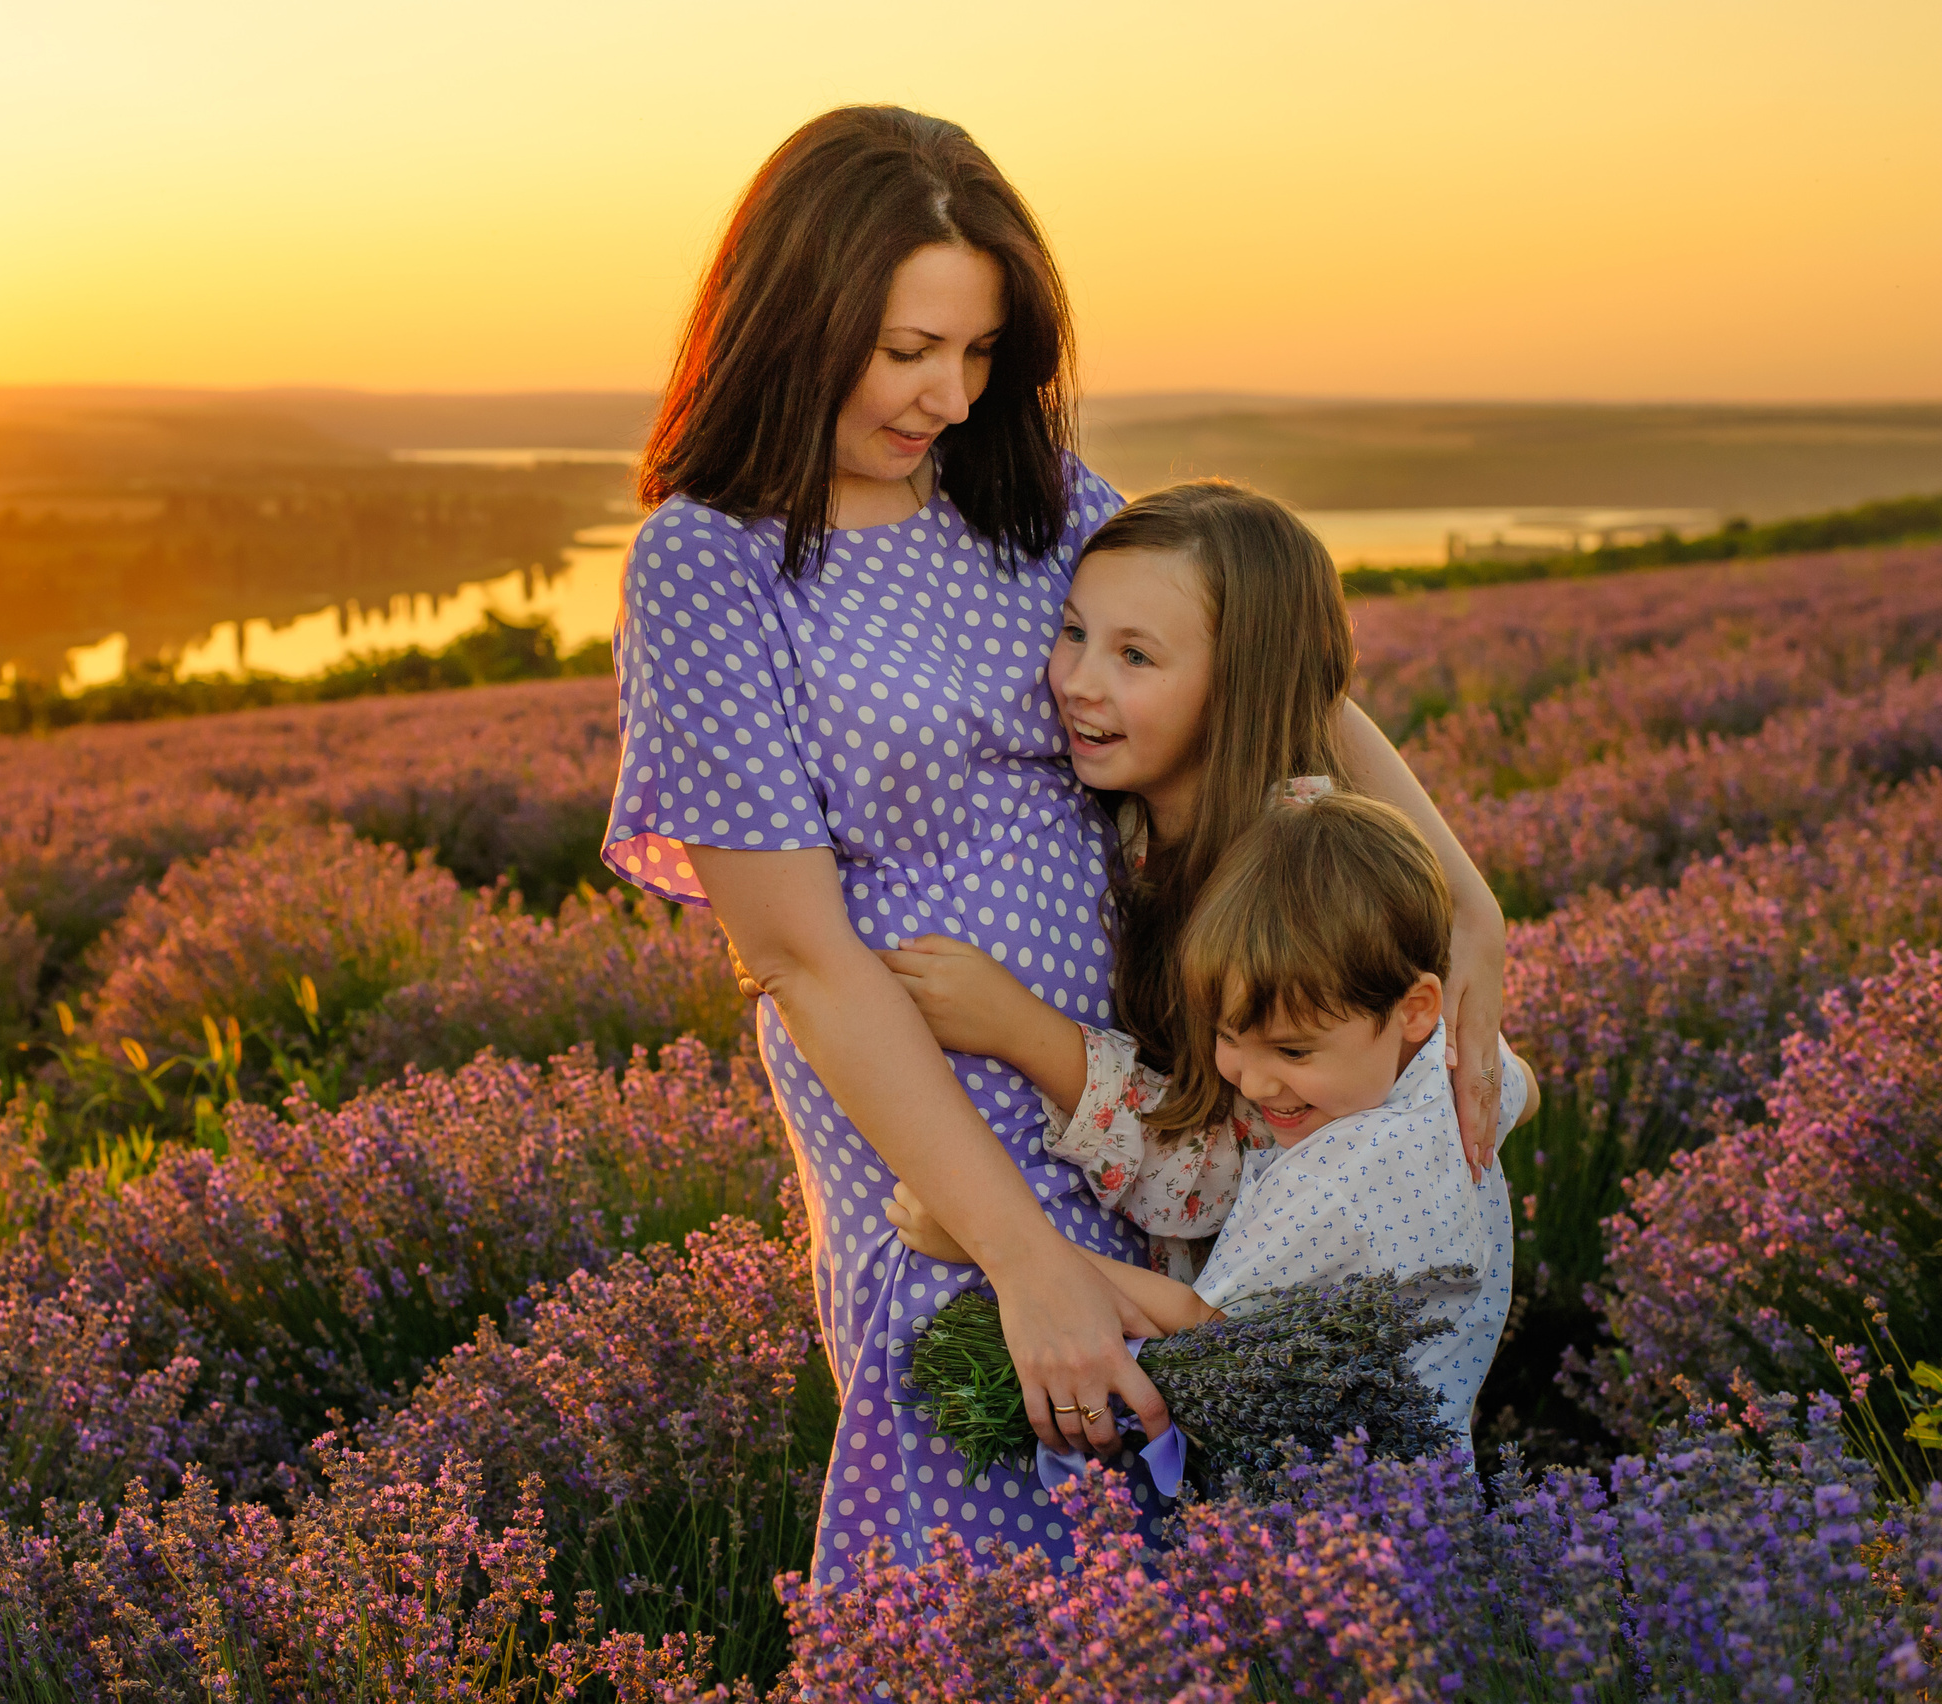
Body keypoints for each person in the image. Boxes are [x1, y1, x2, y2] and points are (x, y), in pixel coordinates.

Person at [601, 106, 1508, 1587]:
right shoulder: (710, 561)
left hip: (1136, 1071)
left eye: (979, 353)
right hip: (923, 1102)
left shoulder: (1028, 496)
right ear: (791, 315)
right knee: (987, 1508)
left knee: (1178, 1496)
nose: (947, 396)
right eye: (906, 351)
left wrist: (1463, 900)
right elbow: (800, 959)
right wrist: (1022, 1256)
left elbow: (1263, 648)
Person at [887, 790, 1540, 1451]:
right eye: (1230, 1035)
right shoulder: (1448, 1071)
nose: (1254, 1083)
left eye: (1293, 1050)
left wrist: (996, 1246)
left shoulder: (1333, 1185)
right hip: (1427, 1479)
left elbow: (1208, 1328)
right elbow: (1524, 1090)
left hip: (1330, 1500)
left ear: (1416, 1006)